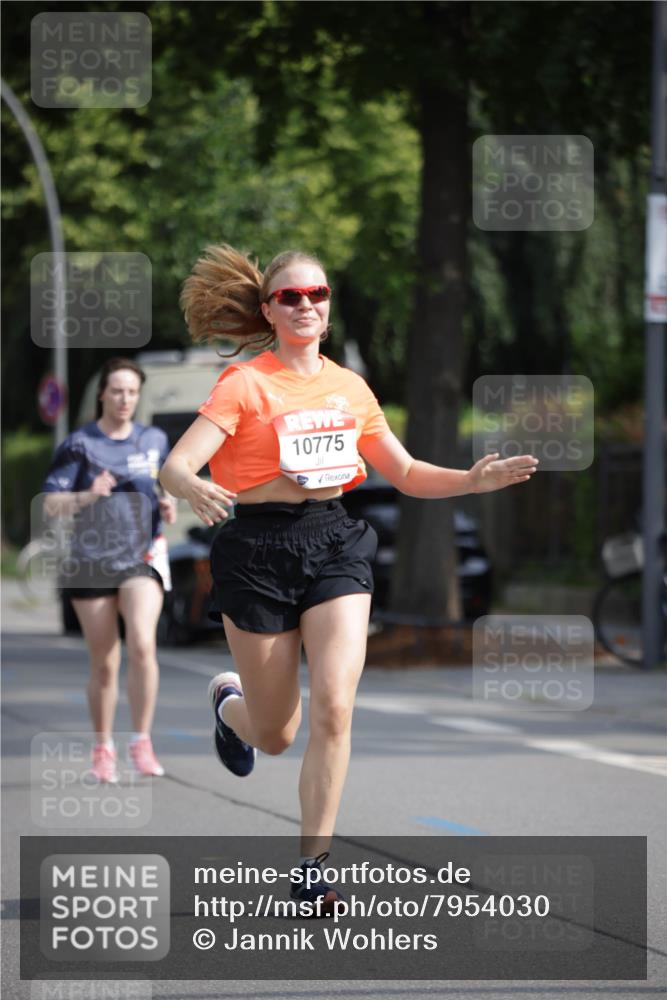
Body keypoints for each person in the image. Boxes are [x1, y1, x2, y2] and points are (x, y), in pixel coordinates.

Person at [160, 244, 538, 913]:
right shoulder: (245, 384)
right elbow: (178, 464)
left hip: (334, 541)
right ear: (269, 310)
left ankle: (312, 869)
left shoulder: (350, 387)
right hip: (256, 549)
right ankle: (230, 707)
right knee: (276, 732)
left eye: (317, 294)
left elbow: (409, 472)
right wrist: (191, 485)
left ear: (328, 306)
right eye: (290, 297)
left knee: (334, 707)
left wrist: (472, 480)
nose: (306, 304)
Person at [42, 357, 177, 783]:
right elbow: (51, 503)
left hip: (141, 557)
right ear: (102, 393)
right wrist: (87, 494)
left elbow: (164, 484)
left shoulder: (153, 439)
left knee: (141, 643)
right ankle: (104, 748)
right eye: (117, 390)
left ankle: (141, 740)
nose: (125, 399)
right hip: (91, 560)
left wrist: (168, 501)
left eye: (132, 392)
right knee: (104, 662)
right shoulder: (80, 444)